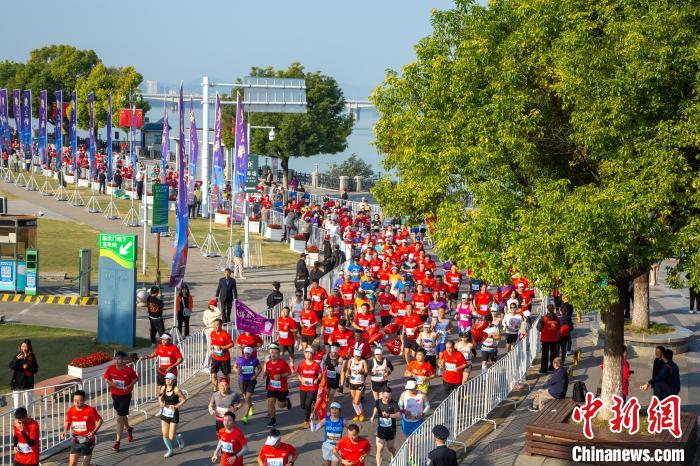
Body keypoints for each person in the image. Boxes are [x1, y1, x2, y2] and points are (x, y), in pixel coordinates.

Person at [103, 351, 138, 451]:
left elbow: (136, 379)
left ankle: (117, 442)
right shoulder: (111, 368)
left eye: (120, 359)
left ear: (124, 361)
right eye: (117, 359)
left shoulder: (128, 370)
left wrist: (129, 386)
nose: (118, 361)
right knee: (122, 416)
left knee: (119, 418)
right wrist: (111, 383)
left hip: (126, 396)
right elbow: (106, 377)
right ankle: (129, 428)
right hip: (115, 395)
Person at [61, 390, 103, 466]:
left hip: (88, 440)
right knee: (72, 463)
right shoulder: (71, 410)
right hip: (76, 439)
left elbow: (100, 420)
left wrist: (94, 431)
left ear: (84, 400)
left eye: (79, 400)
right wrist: (65, 431)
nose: (77, 402)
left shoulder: (90, 410)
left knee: (85, 465)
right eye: (75, 400)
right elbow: (68, 421)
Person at [158, 373, 187, 458]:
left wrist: (176, 406)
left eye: (169, 379)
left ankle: (178, 437)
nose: (167, 380)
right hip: (165, 413)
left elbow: (184, 399)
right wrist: (160, 403)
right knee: (164, 435)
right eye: (166, 378)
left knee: (171, 437)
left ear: (174, 380)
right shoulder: (163, 388)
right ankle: (170, 450)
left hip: (174, 414)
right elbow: (159, 397)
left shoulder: (176, 390)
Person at [263, 343, 292, 427]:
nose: (273, 354)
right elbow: (268, 371)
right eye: (272, 353)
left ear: (279, 354)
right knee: (270, 403)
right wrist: (265, 374)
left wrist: (281, 376)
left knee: (281, 405)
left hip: (282, 388)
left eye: (275, 353)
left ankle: (287, 402)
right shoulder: (268, 363)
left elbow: (289, 372)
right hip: (272, 386)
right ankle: (273, 419)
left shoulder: (283, 363)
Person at [371, 386, 401, 466]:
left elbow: (399, 415)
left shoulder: (394, 403)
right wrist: (373, 416)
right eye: (385, 397)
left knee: (390, 447)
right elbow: (376, 408)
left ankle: (393, 454)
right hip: (381, 429)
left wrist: (389, 415)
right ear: (382, 395)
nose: (387, 399)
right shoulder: (378, 402)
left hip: (391, 430)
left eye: (389, 397)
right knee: (380, 448)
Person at [233, 346, 261, 423]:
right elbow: (234, 367)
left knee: (247, 398)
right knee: (246, 398)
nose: (246, 355)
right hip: (242, 381)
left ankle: (245, 417)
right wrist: (237, 370)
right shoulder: (240, 359)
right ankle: (250, 406)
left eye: (248, 353)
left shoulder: (254, 359)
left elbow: (260, 368)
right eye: (245, 353)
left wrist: (255, 376)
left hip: (251, 381)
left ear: (251, 353)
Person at [312, 401, 346, 466]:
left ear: (340, 411)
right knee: (327, 464)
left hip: (337, 447)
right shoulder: (325, 420)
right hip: (327, 446)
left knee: (335, 463)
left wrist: (357, 427)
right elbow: (314, 429)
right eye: (332, 408)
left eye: (336, 409)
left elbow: (351, 429)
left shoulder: (343, 421)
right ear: (330, 410)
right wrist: (312, 420)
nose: (334, 410)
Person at [297, 347, 323, 428]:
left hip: (313, 387)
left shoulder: (316, 365)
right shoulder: (301, 364)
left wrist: (317, 379)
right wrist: (301, 379)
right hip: (303, 387)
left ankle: (306, 421)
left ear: (313, 355)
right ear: (304, 354)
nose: (308, 355)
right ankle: (312, 405)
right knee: (303, 405)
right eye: (306, 353)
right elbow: (298, 373)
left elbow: (320, 374)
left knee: (307, 404)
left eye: (310, 353)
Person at [9, 339, 38, 410]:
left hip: (28, 382)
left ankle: (28, 417)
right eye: (22, 346)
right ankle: (18, 417)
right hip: (17, 382)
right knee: (17, 403)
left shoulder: (31, 356)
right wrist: (16, 359)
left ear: (29, 347)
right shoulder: (18, 355)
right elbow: (11, 366)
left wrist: (28, 367)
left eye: (25, 346)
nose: (24, 348)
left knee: (28, 402)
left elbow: (35, 369)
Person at [210, 318, 234, 390]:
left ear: (221, 325)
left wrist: (222, 347)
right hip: (215, 357)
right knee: (213, 374)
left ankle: (228, 388)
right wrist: (211, 345)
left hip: (224, 358)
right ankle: (215, 389)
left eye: (217, 325)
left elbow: (232, 344)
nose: (215, 326)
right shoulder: (212, 333)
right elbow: (212, 341)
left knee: (226, 374)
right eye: (214, 325)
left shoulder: (225, 334)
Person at [537, 304, 560, 373]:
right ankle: (552, 368)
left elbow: (539, 328)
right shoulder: (557, 318)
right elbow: (558, 327)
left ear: (547, 309)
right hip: (554, 339)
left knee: (544, 354)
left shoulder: (543, 318)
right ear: (554, 309)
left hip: (545, 339)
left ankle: (543, 369)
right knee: (553, 354)